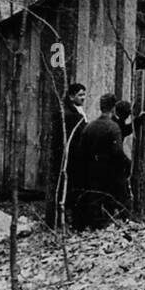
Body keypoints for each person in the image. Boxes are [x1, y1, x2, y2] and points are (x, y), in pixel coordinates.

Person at [76, 94, 130, 230]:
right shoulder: (113, 127)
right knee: (119, 195)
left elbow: (81, 150)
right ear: (113, 108)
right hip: (110, 170)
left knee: (95, 197)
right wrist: (127, 163)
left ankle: (96, 225)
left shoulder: (89, 126)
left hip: (92, 168)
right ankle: (123, 221)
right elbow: (117, 152)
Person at [61, 83, 89, 230]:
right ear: (71, 97)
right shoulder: (71, 114)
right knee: (75, 187)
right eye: (80, 95)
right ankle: (73, 220)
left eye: (84, 94)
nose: (83, 98)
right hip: (74, 157)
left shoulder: (78, 111)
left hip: (78, 155)